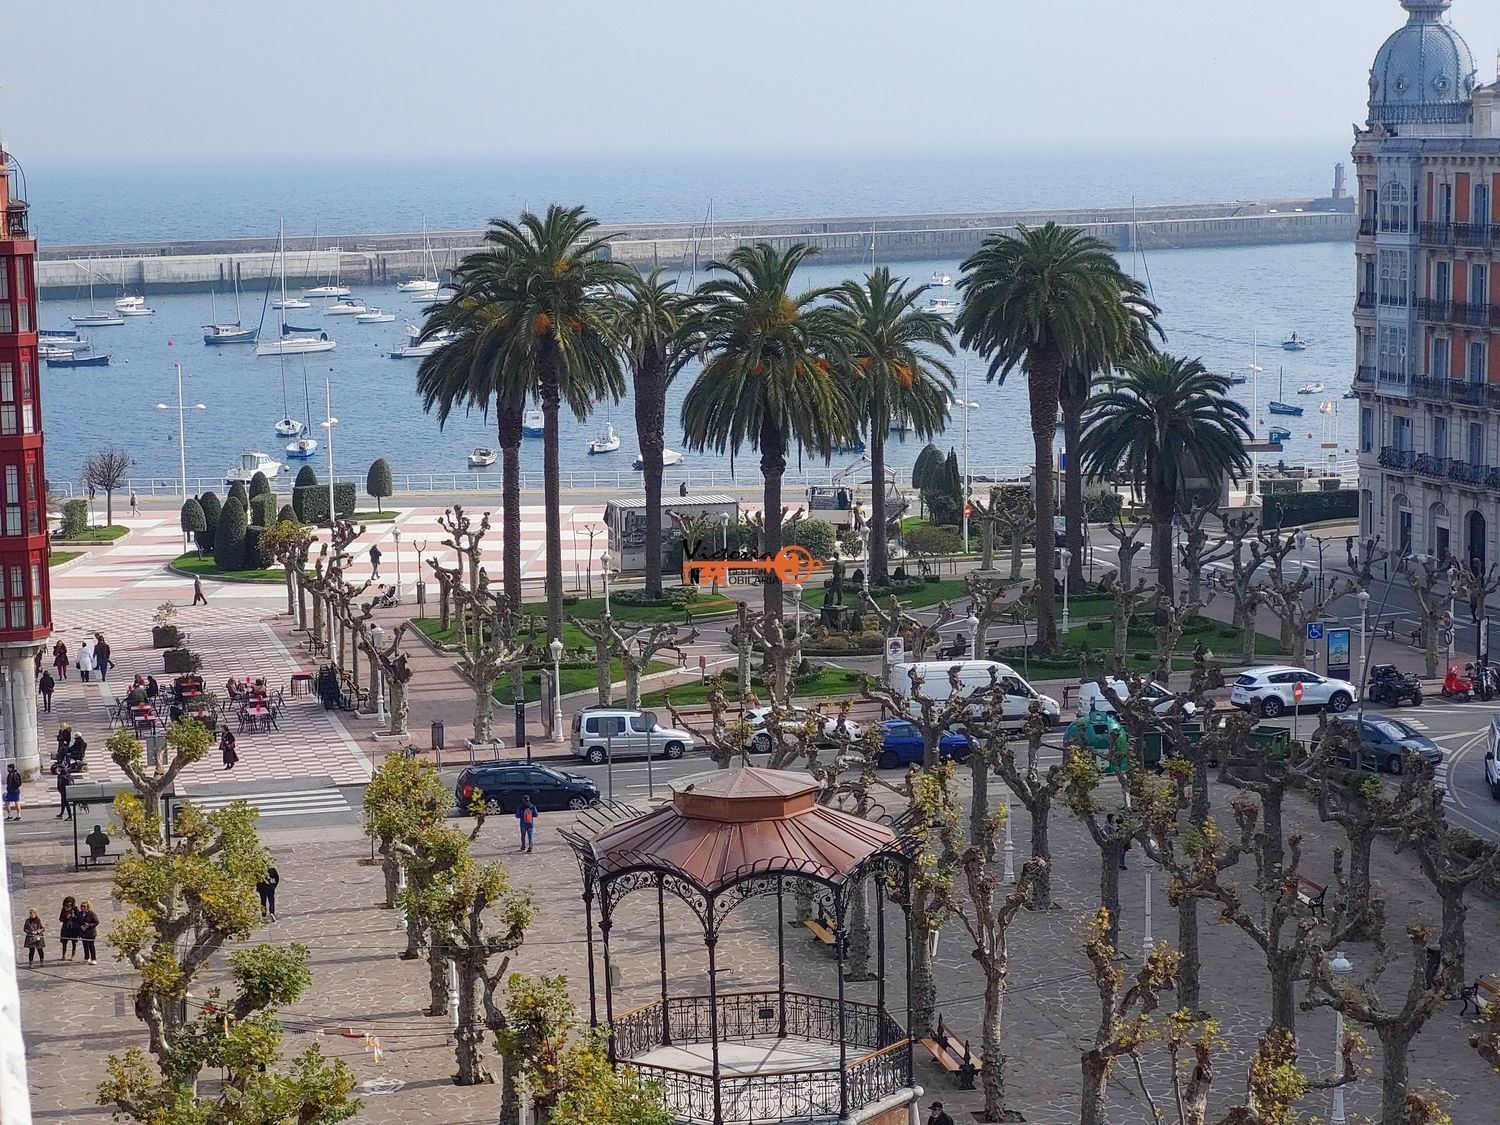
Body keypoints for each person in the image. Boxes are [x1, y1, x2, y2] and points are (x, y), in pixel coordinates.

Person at [76, 900, 99, 965]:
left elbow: (96, 922)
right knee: (85, 945)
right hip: (83, 932)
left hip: (91, 933)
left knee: (91, 946)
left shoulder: (92, 914)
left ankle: (93, 958)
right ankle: (86, 958)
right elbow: (77, 922)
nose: (82, 907)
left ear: (87, 907)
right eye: (81, 906)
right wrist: (80, 926)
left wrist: (89, 925)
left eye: (84, 906)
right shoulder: (79, 914)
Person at [58, 896, 79, 961]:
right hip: (66, 928)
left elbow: (79, 918)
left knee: (73, 942)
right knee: (64, 942)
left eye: (70, 902)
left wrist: (74, 917)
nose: (68, 904)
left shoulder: (75, 909)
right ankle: (63, 955)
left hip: (73, 928)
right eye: (67, 902)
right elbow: (60, 919)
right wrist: (66, 918)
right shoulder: (63, 909)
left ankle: (73, 955)